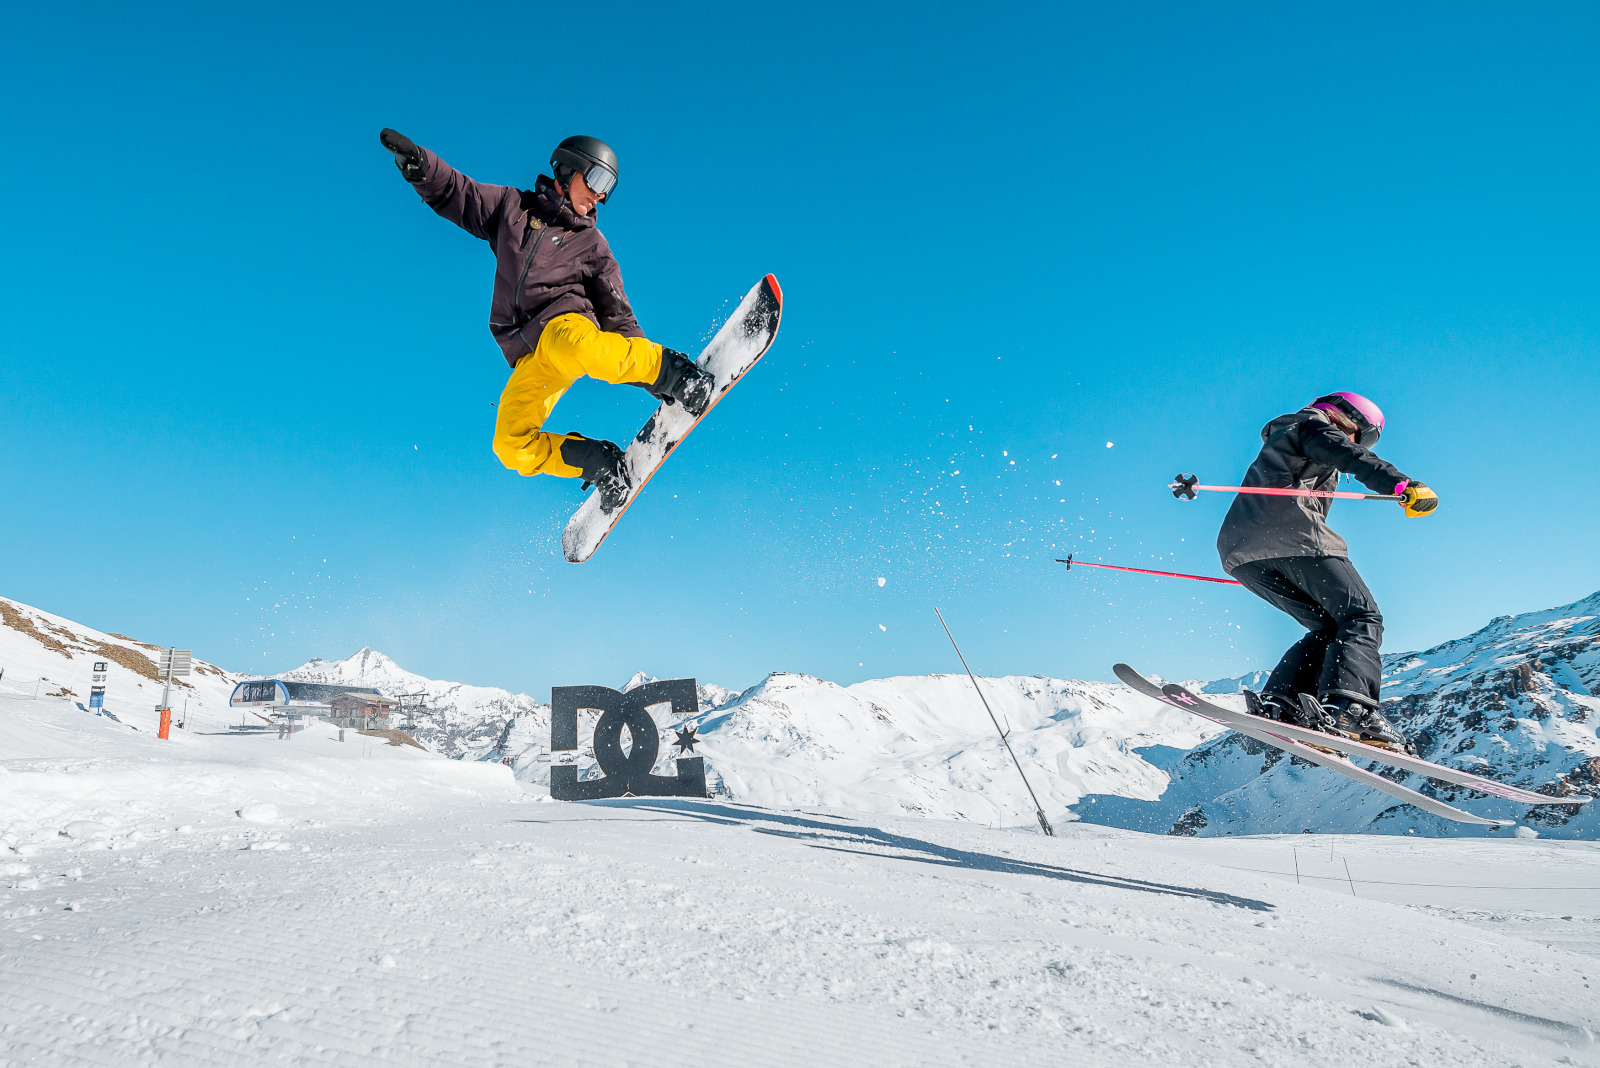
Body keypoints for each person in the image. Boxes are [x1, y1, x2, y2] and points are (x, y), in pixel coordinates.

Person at [378, 129, 712, 512]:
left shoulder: (591, 245)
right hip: (530, 354)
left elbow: (618, 316)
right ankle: (599, 464)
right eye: (599, 180)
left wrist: (661, 378)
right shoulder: (511, 208)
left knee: (577, 345)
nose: (601, 195)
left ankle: (677, 372)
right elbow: (460, 194)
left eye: (609, 189)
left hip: (566, 328)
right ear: (570, 169)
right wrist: (421, 166)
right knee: (509, 442)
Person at [1216, 392, 1438, 750]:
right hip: (1292, 536)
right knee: (1362, 616)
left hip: (1239, 553)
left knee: (1328, 626)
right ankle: (1349, 710)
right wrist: (1402, 484)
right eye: (1364, 436)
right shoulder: (1312, 427)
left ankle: (1282, 705)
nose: (1358, 442)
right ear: (1352, 420)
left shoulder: (1283, 438)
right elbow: (1350, 456)